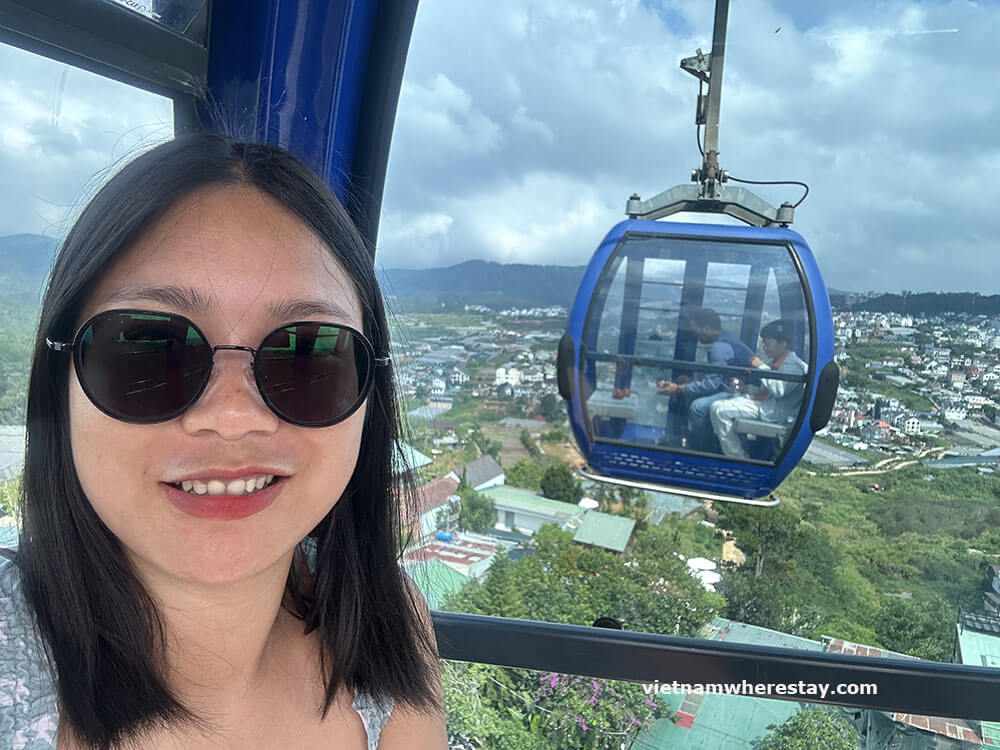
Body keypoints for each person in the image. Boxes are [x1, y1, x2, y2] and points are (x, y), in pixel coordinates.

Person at [0, 134, 447, 749]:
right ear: (60, 385)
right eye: (148, 350)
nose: (234, 417)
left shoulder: (386, 624)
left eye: (308, 355)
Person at [656, 307, 755, 450]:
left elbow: (713, 385)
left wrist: (678, 388)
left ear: (707, 328)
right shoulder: (726, 339)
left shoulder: (718, 348)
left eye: (696, 330)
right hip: (732, 386)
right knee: (692, 394)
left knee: (698, 407)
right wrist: (693, 382)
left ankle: (706, 448)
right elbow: (720, 377)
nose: (695, 335)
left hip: (738, 391)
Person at [709, 319, 807, 459]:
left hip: (775, 413)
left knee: (720, 411)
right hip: (765, 405)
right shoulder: (775, 363)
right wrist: (745, 388)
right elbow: (765, 391)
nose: (764, 348)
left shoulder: (795, 367)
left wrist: (760, 366)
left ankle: (737, 458)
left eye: (767, 344)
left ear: (783, 344)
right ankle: (734, 452)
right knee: (716, 406)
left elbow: (779, 390)